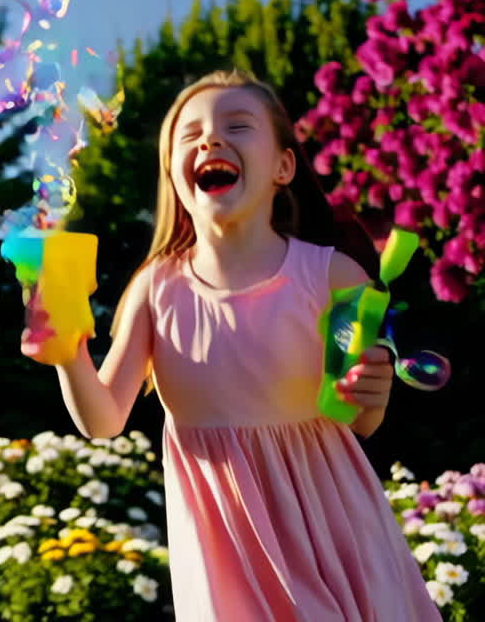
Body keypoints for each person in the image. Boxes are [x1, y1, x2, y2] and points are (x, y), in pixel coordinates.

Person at [26, 70, 441, 620]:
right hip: (226, 547)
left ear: (283, 167)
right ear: (173, 176)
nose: (210, 140)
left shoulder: (334, 276)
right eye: (188, 134)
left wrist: (374, 390)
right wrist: (67, 353)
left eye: (237, 126)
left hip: (331, 528)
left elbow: (360, 420)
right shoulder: (156, 288)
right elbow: (103, 419)